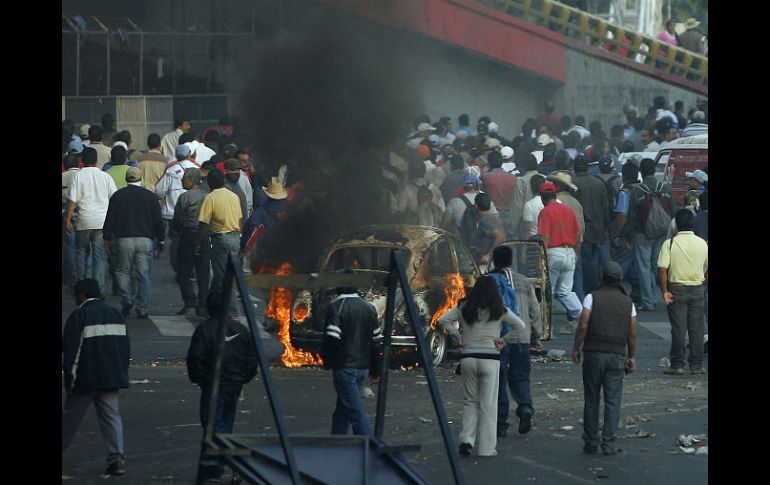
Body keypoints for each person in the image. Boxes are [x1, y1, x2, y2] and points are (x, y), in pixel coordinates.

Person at [438, 276, 525, 457]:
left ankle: (466, 440)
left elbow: (443, 320)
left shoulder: (464, 307)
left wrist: (457, 336)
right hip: (490, 358)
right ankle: (486, 448)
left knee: (470, 401)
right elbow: (520, 326)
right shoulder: (499, 310)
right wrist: (504, 340)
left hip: (468, 358)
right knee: (488, 404)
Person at [62, 279, 131, 477]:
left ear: (82, 294)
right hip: (111, 376)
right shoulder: (116, 314)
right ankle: (117, 458)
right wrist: (121, 372)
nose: (75, 298)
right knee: (111, 418)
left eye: (75, 294)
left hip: (86, 378)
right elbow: (124, 349)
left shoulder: (79, 316)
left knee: (69, 420)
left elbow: (72, 352)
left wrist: (70, 379)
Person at [187, 291, 258, 482]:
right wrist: (243, 378)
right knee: (224, 425)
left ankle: (221, 467)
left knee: (214, 428)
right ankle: (216, 467)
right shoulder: (240, 329)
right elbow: (252, 359)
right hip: (233, 386)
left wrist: (200, 379)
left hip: (213, 386)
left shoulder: (204, 330)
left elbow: (195, 358)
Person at [572, 262, 637, 455]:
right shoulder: (628, 303)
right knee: (612, 401)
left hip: (593, 354)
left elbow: (583, 325)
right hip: (616, 355)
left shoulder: (592, 297)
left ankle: (590, 441)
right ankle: (608, 443)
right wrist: (631, 356)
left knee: (591, 399)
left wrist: (576, 348)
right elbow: (632, 333)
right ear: (620, 281)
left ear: (601, 277)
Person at [321, 269, 384, 436]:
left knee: (355, 412)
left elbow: (332, 339)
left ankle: (368, 446)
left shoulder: (335, 307)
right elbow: (377, 342)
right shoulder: (369, 308)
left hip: (344, 367)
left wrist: (328, 362)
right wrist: (375, 369)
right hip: (362, 368)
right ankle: (336, 442)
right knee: (343, 408)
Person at [490, 246, 542, 438]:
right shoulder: (523, 281)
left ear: (494, 261)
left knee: (499, 381)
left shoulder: (489, 281)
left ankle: (500, 424)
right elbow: (535, 312)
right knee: (520, 377)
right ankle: (525, 407)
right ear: (512, 261)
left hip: (499, 340)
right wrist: (535, 337)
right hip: (522, 338)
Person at [103, 167, 165, 319]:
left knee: (122, 271)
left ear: (126, 178)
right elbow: (158, 220)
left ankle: (127, 297)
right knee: (143, 274)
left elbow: (110, 218)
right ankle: (142, 307)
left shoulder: (118, 196)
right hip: (145, 239)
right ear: (141, 178)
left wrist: (106, 238)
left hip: (123, 239)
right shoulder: (150, 197)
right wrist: (161, 238)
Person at [657, 209, 708, 375]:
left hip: (676, 288)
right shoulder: (702, 244)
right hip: (697, 288)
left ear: (676, 225)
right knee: (697, 329)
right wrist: (702, 282)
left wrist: (664, 291)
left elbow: (663, 270)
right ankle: (697, 365)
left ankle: (677, 364)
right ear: (692, 224)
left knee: (678, 329)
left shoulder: (670, 244)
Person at [65, 146, 118, 292]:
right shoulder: (105, 176)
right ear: (96, 161)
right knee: (99, 255)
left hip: (84, 220)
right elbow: (114, 199)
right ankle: (98, 288)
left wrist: (68, 220)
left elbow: (72, 200)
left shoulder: (78, 176)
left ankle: (82, 285)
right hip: (102, 221)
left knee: (81, 252)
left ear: (82, 160)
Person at [537, 181, 584, 333]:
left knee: (546, 292)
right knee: (565, 292)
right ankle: (585, 318)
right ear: (555, 195)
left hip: (553, 253)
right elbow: (578, 234)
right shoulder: (568, 210)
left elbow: (544, 237)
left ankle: (544, 328)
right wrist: (576, 253)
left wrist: (540, 258)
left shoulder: (546, 211)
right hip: (569, 252)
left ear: (542, 197)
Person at [172, 168, 212, 317]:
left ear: (190, 180)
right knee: (203, 272)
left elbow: (177, 219)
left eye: (184, 179)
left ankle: (189, 299)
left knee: (183, 270)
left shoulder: (185, 197)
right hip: (206, 235)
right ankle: (203, 304)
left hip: (189, 235)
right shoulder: (208, 196)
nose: (182, 182)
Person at [196, 168, 243, 294]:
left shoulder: (210, 197)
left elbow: (203, 223)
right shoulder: (234, 196)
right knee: (230, 275)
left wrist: (198, 242)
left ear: (209, 182)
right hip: (235, 238)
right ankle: (217, 305)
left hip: (221, 239)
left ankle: (229, 309)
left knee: (221, 276)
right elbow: (240, 220)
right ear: (223, 180)